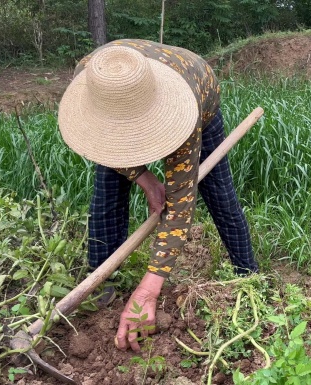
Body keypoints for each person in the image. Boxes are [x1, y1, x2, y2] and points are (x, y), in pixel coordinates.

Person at [57, 39, 258, 352]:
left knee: (220, 197)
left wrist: (149, 289)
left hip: (197, 97)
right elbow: (107, 145)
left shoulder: (184, 108)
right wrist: (145, 180)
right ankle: (101, 287)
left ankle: (249, 276)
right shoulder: (94, 78)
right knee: (106, 197)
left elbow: (179, 207)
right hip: (118, 100)